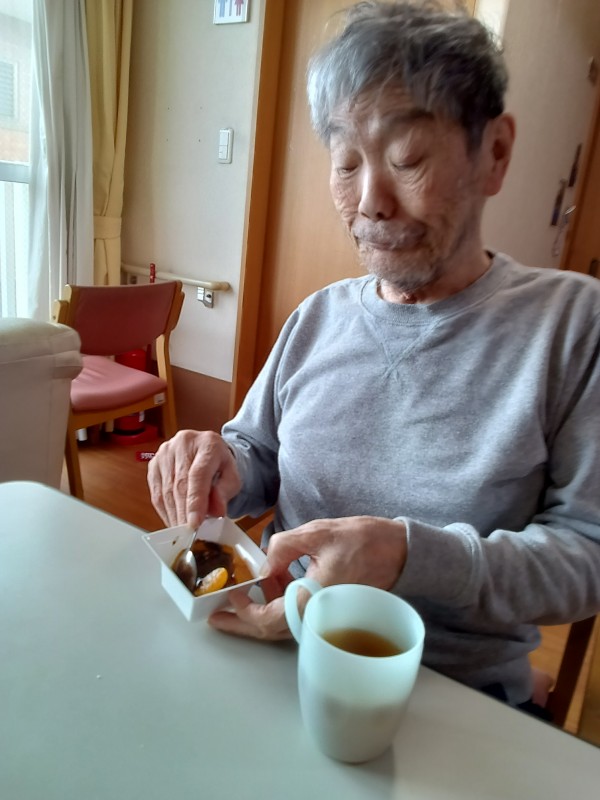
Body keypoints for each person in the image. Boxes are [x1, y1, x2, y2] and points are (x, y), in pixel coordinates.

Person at [148, 0, 600, 709]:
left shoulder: (572, 326)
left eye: (407, 159)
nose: (370, 202)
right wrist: (218, 465)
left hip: (450, 694)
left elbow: (587, 552)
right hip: (277, 651)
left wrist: (411, 557)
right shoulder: (319, 315)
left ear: (495, 153)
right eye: (346, 164)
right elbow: (256, 454)